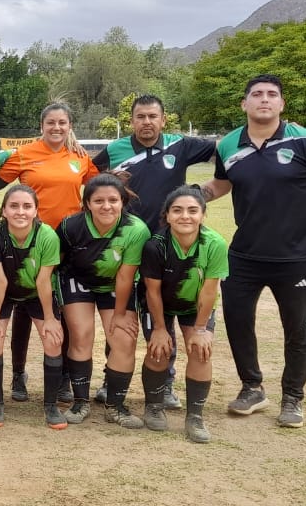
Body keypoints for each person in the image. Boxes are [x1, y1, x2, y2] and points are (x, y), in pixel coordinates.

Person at [201, 74, 306, 428]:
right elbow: (222, 184)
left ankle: (293, 397)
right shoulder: (229, 144)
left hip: (297, 257)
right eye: (256, 94)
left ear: (281, 104)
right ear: (244, 104)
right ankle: (252, 387)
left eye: (272, 95)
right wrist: (193, 196)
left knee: (299, 330)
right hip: (244, 255)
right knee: (239, 323)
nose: (264, 100)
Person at [90, 94, 216, 408]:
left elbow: (225, 150)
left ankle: (167, 382)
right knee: (124, 314)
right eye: (140, 117)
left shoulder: (180, 146)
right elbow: (89, 180)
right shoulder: (114, 151)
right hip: (129, 246)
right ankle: (111, 378)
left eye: (152, 117)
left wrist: (200, 194)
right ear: (131, 121)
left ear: (163, 119)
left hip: (170, 247)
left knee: (166, 314)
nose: (147, 122)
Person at [0, 104, 98, 403]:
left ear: (70, 126)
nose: (56, 127)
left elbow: (98, 188)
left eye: (62, 122)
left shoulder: (79, 156)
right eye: (51, 122)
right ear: (41, 125)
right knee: (25, 309)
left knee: (63, 307)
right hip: (28, 241)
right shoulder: (24, 154)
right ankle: (18, 375)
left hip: (67, 242)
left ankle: (65, 376)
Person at [57, 173, 151, 428]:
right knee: (81, 334)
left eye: (113, 200)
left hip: (114, 285)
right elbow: (57, 261)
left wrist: (120, 314)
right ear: (87, 203)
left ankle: (115, 405)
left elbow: (125, 277)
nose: (106, 206)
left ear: (122, 201)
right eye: (98, 201)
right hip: (77, 280)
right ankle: (80, 402)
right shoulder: (71, 225)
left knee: (123, 339)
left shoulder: (136, 229)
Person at [139, 186, 227, 443]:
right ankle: (154, 406)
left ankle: (195, 416)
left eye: (192, 210)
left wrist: (200, 330)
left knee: (200, 350)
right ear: (167, 216)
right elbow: (152, 292)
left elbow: (209, 291)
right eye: (177, 210)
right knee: (159, 350)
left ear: (203, 215)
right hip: (159, 306)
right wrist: (159, 328)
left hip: (194, 306)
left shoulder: (215, 244)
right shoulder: (155, 246)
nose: (185, 216)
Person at [0, 185, 60, 428]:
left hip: (36, 293)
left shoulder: (47, 236)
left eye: (27, 206)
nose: (20, 212)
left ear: (36, 210)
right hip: (4, 292)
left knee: (53, 339)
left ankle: (51, 406)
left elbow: (43, 281)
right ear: (3, 210)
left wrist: (50, 318)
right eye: (14, 206)